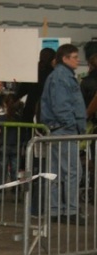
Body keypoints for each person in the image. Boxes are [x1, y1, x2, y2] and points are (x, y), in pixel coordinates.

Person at [40, 43, 87, 224]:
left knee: (56, 173)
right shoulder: (62, 77)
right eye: (74, 57)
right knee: (73, 171)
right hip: (64, 131)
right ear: (65, 58)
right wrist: (72, 125)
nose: (77, 60)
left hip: (58, 130)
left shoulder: (58, 76)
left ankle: (55, 210)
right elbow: (62, 106)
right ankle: (71, 211)